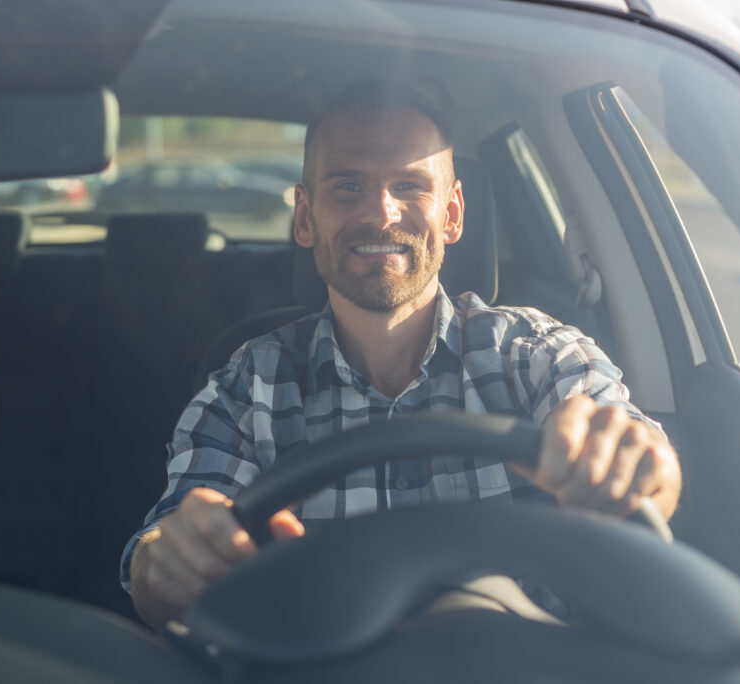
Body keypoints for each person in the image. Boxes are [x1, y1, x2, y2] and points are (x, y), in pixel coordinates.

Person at [122, 82, 682, 630]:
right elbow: (168, 545)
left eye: (411, 186)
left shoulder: (536, 354)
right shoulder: (247, 385)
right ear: (304, 216)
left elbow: (638, 451)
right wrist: (171, 560)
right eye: (347, 187)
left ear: (453, 213)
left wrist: (635, 465)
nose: (381, 214)